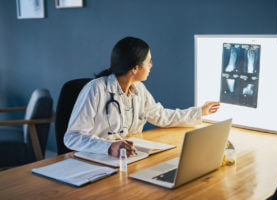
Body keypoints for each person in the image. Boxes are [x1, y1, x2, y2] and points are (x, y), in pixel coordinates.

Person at [64, 36, 220, 158]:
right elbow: (73, 137)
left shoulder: (139, 89)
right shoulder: (96, 89)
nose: (151, 65)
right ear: (135, 68)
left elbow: (162, 116)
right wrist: (108, 147)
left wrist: (200, 112)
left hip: (125, 158)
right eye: (149, 61)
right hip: (95, 161)